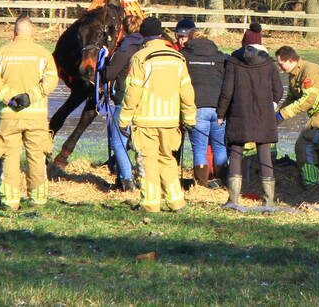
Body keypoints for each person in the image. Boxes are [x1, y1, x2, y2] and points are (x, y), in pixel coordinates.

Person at [118, 17, 196, 212]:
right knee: (167, 159)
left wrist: (124, 118)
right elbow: (187, 91)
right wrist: (189, 117)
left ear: (143, 35)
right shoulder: (177, 57)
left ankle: (150, 203)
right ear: (161, 34)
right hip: (170, 121)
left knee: (147, 160)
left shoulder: (140, 57)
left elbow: (133, 91)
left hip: (146, 120)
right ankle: (176, 201)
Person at [0, 15, 59, 210]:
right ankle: (37, 200)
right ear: (32, 32)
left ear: (13, 32)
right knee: (36, 157)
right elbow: (51, 81)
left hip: (8, 116)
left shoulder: (0, 54)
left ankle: (10, 201)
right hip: (36, 116)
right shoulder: (43, 54)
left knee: (9, 157)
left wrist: (10, 98)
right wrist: (30, 96)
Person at [217, 44, 284, 208]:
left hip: (239, 115)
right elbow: (279, 90)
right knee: (265, 155)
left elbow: (227, 91)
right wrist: (272, 105)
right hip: (264, 116)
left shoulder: (233, 62)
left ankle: (233, 200)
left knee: (235, 154)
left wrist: (221, 114)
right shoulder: (269, 64)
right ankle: (268, 201)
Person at [275, 46, 319, 188]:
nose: (280, 68)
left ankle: (312, 184)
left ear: (290, 60)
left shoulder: (310, 71)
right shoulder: (294, 75)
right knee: (316, 150)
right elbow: (292, 98)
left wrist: (282, 115)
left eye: (281, 64)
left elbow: (308, 100)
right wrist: (275, 115)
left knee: (304, 145)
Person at [178, 23, 229, 188]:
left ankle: (201, 184)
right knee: (219, 146)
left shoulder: (184, 56)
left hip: (196, 107)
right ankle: (222, 180)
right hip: (218, 108)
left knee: (199, 147)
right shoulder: (220, 56)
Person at [102, 14, 145, 192]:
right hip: (145, 103)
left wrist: (104, 58)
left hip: (125, 100)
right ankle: (144, 178)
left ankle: (126, 180)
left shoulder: (125, 49)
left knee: (118, 141)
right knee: (141, 143)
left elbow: (108, 74)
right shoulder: (145, 48)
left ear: (124, 29)